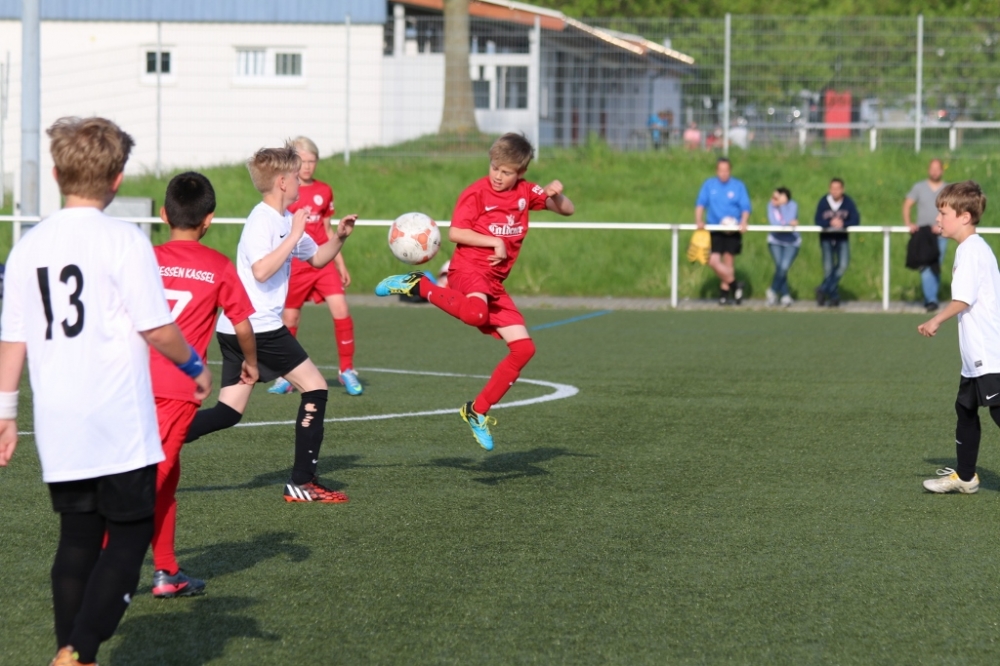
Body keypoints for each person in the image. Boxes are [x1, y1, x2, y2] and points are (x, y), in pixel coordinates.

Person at [0, 117, 211, 666]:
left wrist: (6, 412)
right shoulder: (125, 240)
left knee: (76, 539)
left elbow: (12, 340)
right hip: (118, 419)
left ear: (55, 175)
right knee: (130, 534)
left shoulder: (29, 246)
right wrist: (193, 364)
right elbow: (156, 328)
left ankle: (72, 655)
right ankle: (79, 648)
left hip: (59, 421)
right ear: (117, 179)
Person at [372, 133, 574, 451]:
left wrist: (557, 195)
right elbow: (455, 232)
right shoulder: (477, 192)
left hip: (494, 283)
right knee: (476, 313)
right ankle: (418, 284)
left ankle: (476, 411)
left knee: (524, 349)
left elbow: (567, 210)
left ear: (521, 172)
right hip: (468, 269)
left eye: (506, 172)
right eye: (494, 167)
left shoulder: (526, 192)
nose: (498, 176)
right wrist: (495, 241)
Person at [182, 145, 357, 503]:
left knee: (228, 412)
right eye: (295, 176)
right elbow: (261, 270)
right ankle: (302, 482)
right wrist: (293, 234)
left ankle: (157, 437)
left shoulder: (286, 219)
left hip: (239, 327)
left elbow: (317, 258)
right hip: (256, 326)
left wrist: (339, 237)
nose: (300, 181)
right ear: (282, 182)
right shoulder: (262, 220)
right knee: (316, 387)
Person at [148, 172, 258, 598]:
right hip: (178, 388)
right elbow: (242, 323)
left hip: (130, 383)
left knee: (167, 479)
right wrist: (251, 363)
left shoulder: (144, 259)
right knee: (148, 482)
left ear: (163, 214)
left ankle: (166, 571)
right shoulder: (218, 266)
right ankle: (99, 561)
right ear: (209, 219)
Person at [917, 181, 997, 494]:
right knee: (965, 409)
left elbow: (963, 299)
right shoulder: (973, 248)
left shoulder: (971, 250)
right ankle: (965, 477)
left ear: (964, 217)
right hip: (976, 355)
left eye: (943, 213)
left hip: (989, 355)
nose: (938, 218)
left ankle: (965, 476)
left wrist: (936, 319)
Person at [270, 136, 361, 396]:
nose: (308, 166)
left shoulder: (325, 190)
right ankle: (286, 375)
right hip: (297, 264)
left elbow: (328, 229)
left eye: (313, 161)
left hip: (322, 260)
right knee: (290, 318)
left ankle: (347, 370)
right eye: (304, 161)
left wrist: (340, 264)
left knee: (341, 307)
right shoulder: (288, 191)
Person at [695, 157, 751, 305]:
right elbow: (700, 204)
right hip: (715, 228)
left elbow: (745, 207)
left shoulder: (738, 186)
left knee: (728, 261)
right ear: (716, 171)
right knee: (713, 261)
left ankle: (724, 295)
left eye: (726, 170)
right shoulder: (709, 185)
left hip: (732, 230)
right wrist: (699, 220)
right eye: (721, 170)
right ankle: (735, 285)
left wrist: (744, 221)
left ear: (730, 171)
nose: (723, 173)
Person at [904, 158, 948, 312]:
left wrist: (943, 225)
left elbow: (954, 209)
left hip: (941, 234)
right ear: (928, 170)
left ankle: (931, 297)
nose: (935, 172)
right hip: (923, 234)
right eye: (932, 168)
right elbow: (907, 204)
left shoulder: (947, 189)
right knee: (925, 264)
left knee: (935, 265)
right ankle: (931, 299)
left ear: (942, 170)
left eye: (937, 168)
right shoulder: (919, 187)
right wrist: (909, 223)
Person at [814, 178, 860, 307]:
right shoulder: (823, 202)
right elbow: (817, 220)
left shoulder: (848, 202)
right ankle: (834, 298)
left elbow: (856, 219)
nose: (835, 191)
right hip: (826, 239)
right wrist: (830, 223)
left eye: (837, 188)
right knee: (828, 269)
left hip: (842, 238)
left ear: (842, 189)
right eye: (832, 188)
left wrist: (843, 223)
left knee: (843, 265)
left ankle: (823, 289)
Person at [765, 187, 800, 307]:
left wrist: (782, 206)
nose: (774, 199)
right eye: (774, 197)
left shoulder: (793, 205)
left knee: (784, 267)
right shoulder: (770, 206)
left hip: (792, 242)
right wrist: (787, 223)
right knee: (780, 267)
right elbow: (775, 224)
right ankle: (785, 296)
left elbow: (790, 220)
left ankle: (773, 290)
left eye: (777, 197)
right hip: (775, 241)